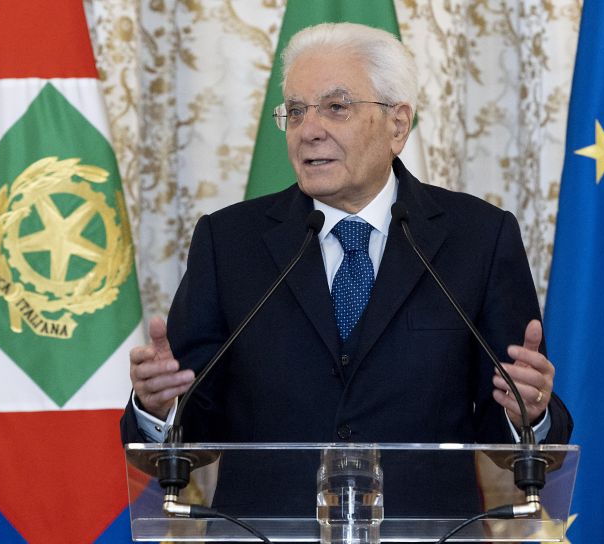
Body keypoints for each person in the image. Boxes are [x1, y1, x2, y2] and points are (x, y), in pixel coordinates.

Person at [121, 22, 572, 517]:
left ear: (398, 125)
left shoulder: (478, 238)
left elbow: (513, 423)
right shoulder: (229, 242)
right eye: (295, 111)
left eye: (336, 107)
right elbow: (193, 425)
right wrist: (159, 408)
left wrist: (526, 415)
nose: (309, 129)